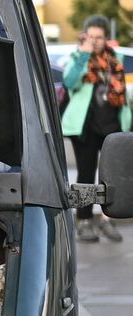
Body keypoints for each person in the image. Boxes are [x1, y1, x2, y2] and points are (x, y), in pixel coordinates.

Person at [63, 15, 129, 243]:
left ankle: (106, 219)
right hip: (86, 127)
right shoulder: (78, 57)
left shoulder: (115, 60)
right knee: (86, 173)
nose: (95, 41)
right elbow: (70, 82)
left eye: (99, 37)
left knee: (113, 176)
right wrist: (83, 54)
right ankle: (83, 221)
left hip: (112, 126)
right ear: (85, 36)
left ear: (106, 38)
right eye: (91, 37)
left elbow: (123, 95)